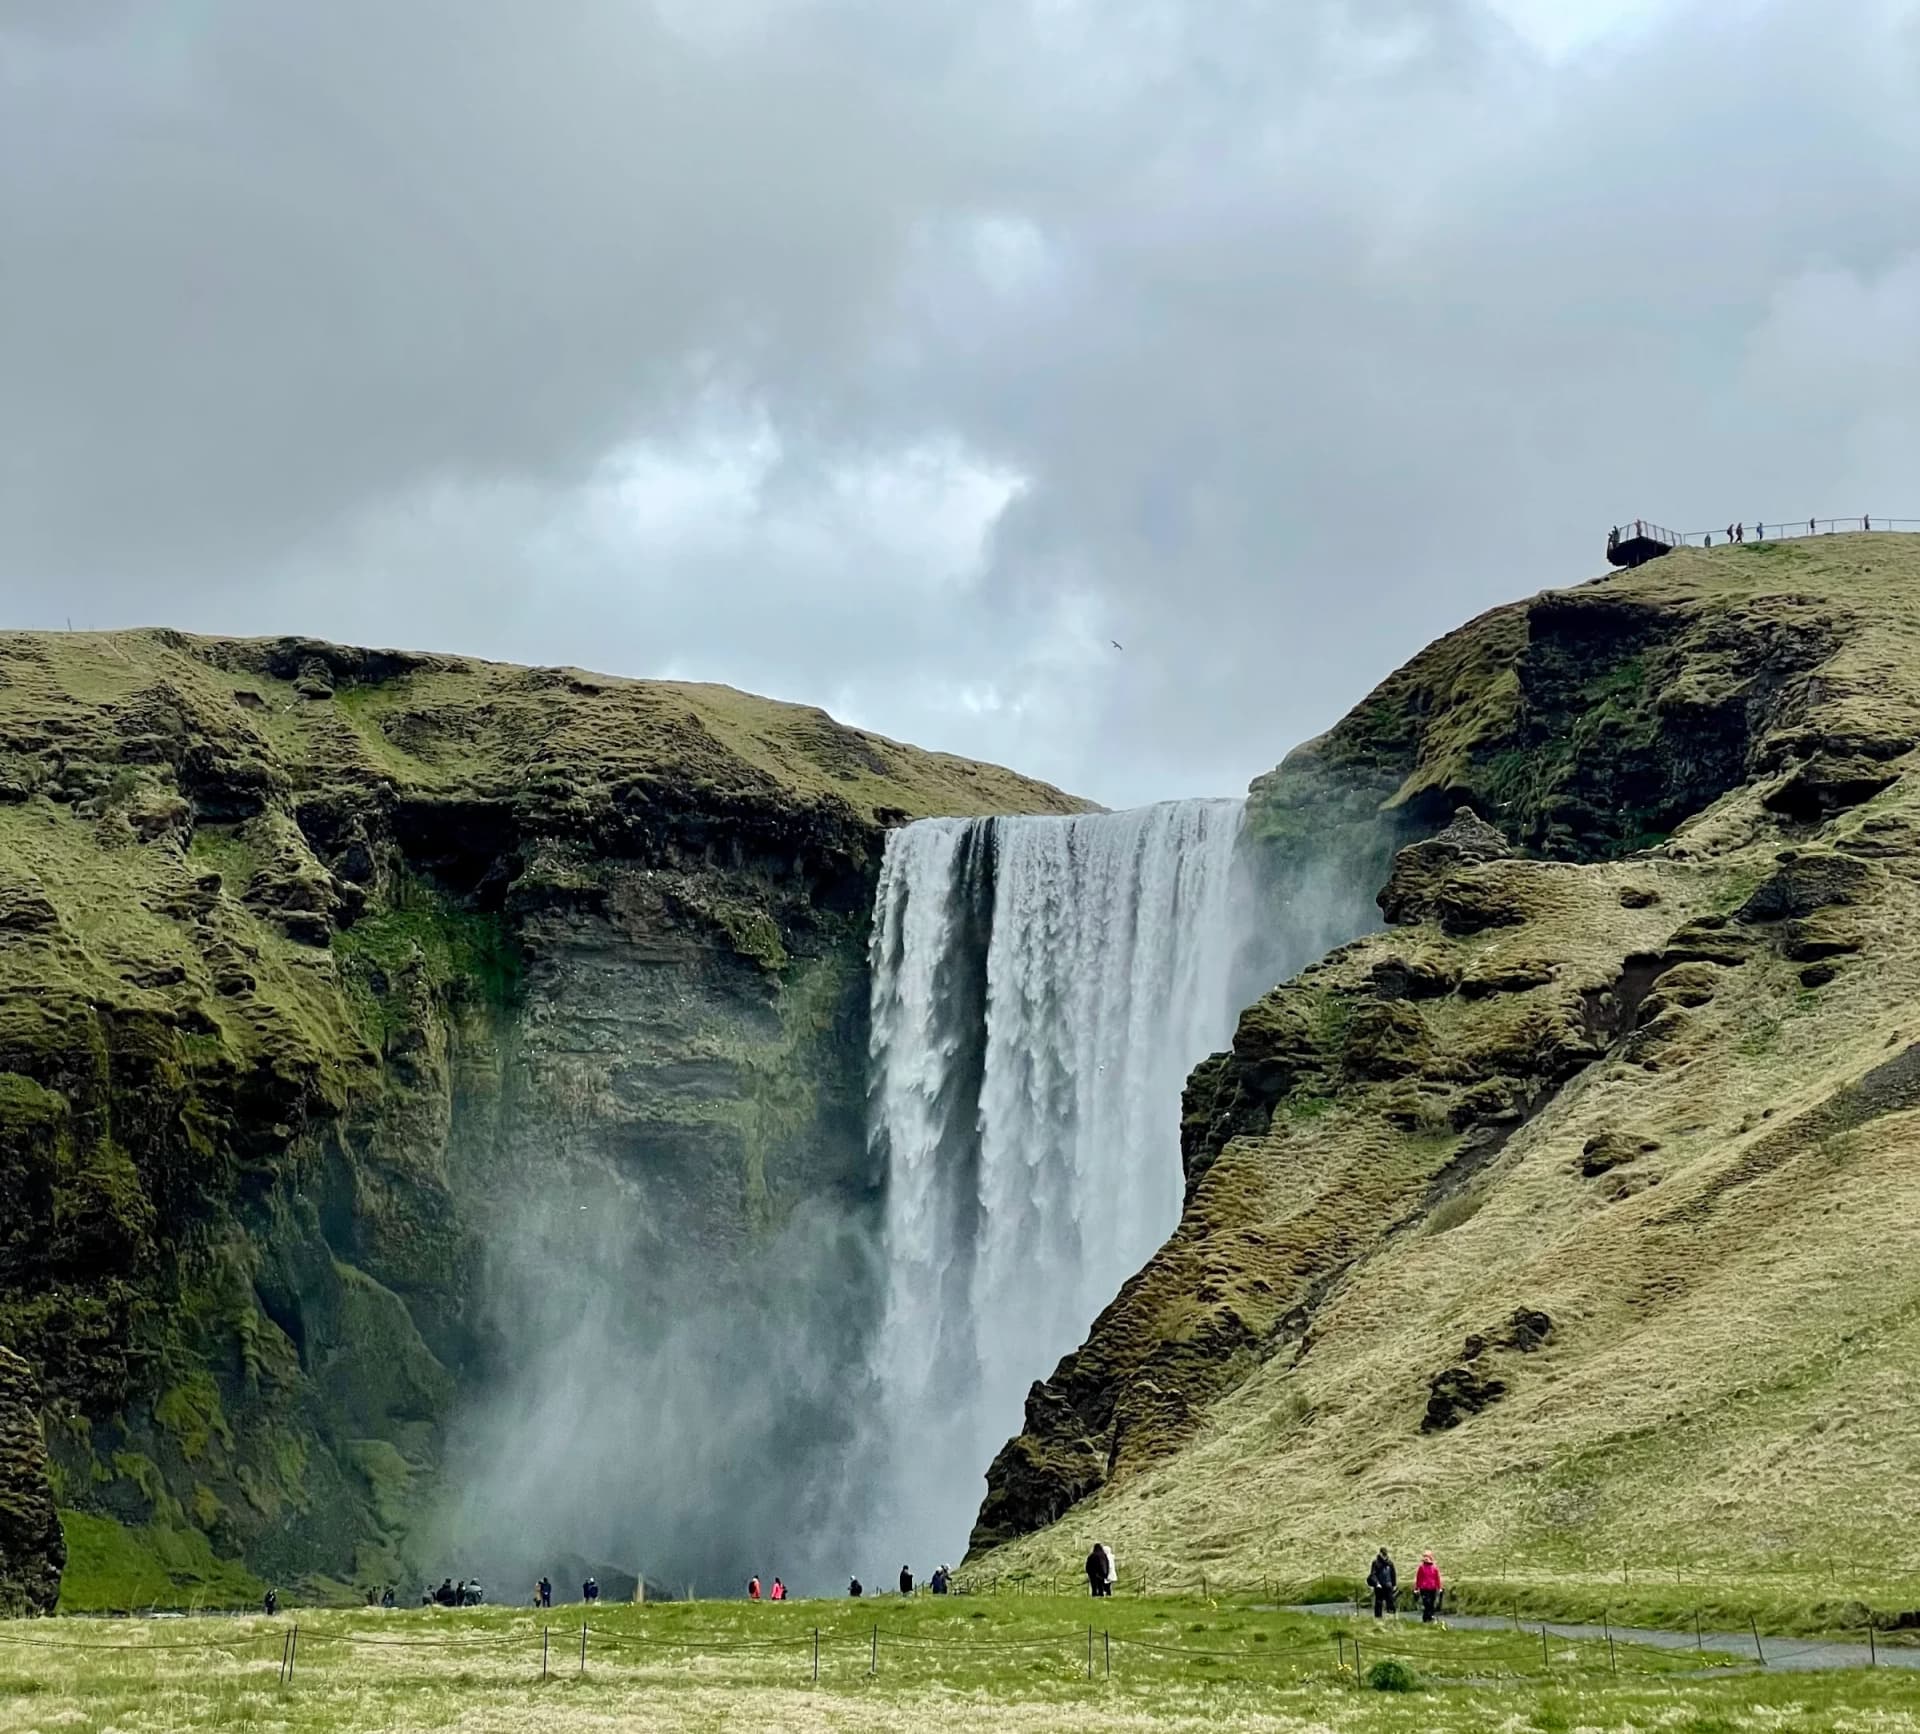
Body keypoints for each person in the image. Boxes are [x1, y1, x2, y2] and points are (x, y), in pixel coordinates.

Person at [1367, 1549, 1397, 1618]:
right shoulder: (1376, 1563)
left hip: (1388, 1585)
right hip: (1379, 1586)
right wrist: (1376, 1583)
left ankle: (1391, 1617)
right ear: (1380, 1553)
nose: (1384, 1556)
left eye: (1385, 1555)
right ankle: (1378, 1617)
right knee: (1378, 1602)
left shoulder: (1390, 1563)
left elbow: (1393, 1574)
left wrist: (1394, 1584)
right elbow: (1373, 1574)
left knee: (1390, 1601)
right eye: (1383, 1555)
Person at [1415, 1551, 1442, 1623]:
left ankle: (1430, 1618)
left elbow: (1437, 1578)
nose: (1426, 1560)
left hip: (1432, 1588)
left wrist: (1439, 1587)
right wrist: (1417, 1588)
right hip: (1424, 1589)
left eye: (1427, 1558)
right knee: (1427, 1603)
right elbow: (1419, 1578)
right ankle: (1426, 1618)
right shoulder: (1421, 1567)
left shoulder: (1434, 1568)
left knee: (1431, 1604)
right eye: (1425, 1558)